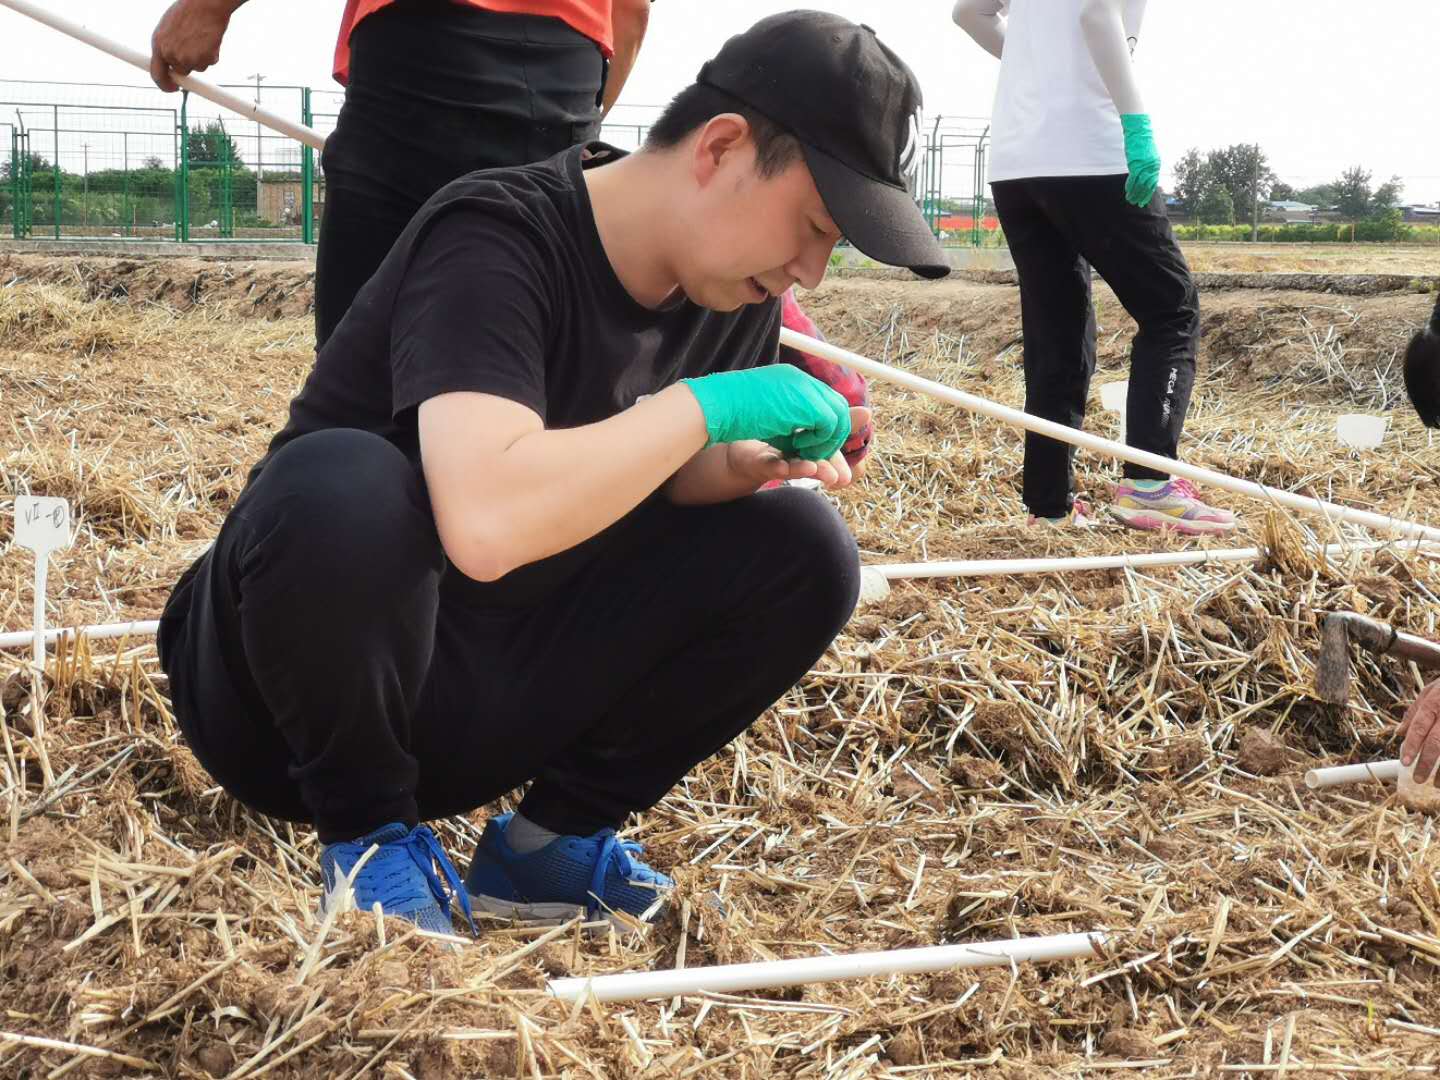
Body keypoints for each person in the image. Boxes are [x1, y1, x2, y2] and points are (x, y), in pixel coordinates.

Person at [156, 11, 948, 935]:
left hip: (472, 698)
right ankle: (370, 844)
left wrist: (734, 461)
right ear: (721, 148)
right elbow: (487, 522)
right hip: (289, 701)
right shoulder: (497, 234)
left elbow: (655, 476)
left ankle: (547, 846)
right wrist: (704, 409)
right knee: (342, 482)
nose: (810, 270)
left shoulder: (729, 291)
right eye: (812, 226)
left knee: (804, 548)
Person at [149, 0, 875, 468]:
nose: (815, 263)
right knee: (538, 386)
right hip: (556, 67)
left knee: (371, 416)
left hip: (430, 52)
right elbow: (633, 16)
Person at [951, 0, 1235, 534]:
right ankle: (1149, 483)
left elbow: (969, 13)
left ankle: (1049, 505)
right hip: (1089, 154)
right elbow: (1098, 15)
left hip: (1016, 162)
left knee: (1056, 332)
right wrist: (1136, 124)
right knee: (1171, 311)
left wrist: (1041, 69)